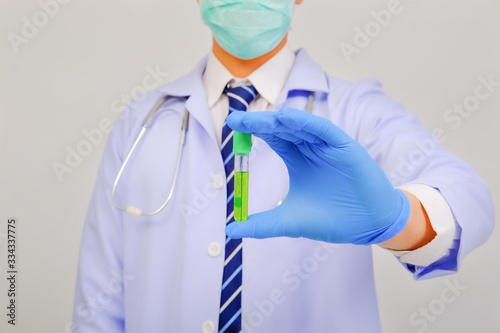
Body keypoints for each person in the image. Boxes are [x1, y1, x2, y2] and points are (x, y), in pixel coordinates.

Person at [72, 0, 494, 332]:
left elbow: (468, 196)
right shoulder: (142, 122)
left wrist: (398, 218)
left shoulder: (356, 111)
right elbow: (98, 302)